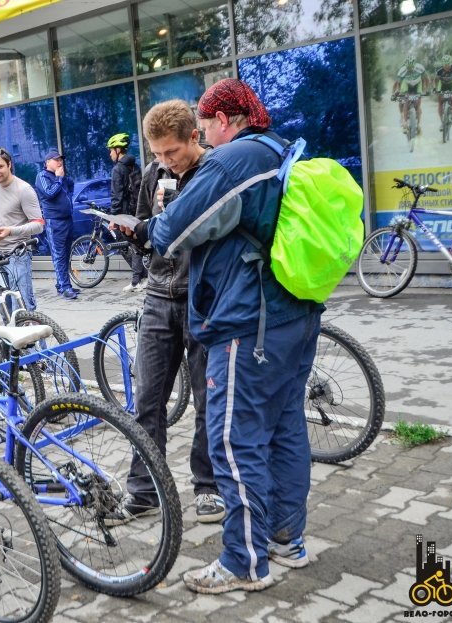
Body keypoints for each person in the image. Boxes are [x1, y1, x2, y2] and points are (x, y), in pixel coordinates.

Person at [147, 79, 321, 594]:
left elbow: (171, 233)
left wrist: (152, 225)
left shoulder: (232, 159)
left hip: (249, 321)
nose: (203, 135)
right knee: (285, 429)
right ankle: (286, 539)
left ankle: (243, 561)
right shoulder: (279, 148)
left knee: (233, 439)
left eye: (203, 127)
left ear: (223, 119)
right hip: (295, 314)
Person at [108, 100, 224, 526]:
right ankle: (144, 490)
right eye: (156, 153)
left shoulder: (214, 173)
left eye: (171, 153)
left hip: (202, 297)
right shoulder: (153, 174)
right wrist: (130, 233)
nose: (163, 161)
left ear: (195, 137)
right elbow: (145, 228)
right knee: (147, 400)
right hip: (158, 294)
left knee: (208, 401)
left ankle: (208, 488)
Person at [0, 148, 45, 310]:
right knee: (3, 305)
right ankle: (11, 335)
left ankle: (34, 335)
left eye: (0, 167)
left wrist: (11, 231)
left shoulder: (24, 190)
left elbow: (39, 225)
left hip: (17, 255)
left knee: (22, 305)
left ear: (9, 165)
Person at [35, 149, 78, 300]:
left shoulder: (60, 176)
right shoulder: (42, 176)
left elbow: (71, 186)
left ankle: (63, 285)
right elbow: (49, 193)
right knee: (59, 255)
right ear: (47, 162)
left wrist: (64, 181)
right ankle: (65, 287)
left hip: (67, 219)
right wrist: (59, 179)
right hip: (54, 221)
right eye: (56, 159)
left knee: (65, 253)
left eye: (60, 159)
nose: (60, 162)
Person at [107, 133, 147, 292]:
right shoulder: (134, 166)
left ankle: (138, 280)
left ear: (117, 150)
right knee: (134, 245)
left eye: (111, 150)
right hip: (137, 211)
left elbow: (117, 195)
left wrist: (113, 218)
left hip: (124, 214)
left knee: (131, 246)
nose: (110, 154)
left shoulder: (118, 169)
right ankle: (141, 277)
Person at [392, 55, 431, 134]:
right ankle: (405, 123)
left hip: (417, 84)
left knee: (418, 104)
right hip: (407, 84)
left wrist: (427, 89)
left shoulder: (420, 68)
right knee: (406, 101)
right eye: (408, 68)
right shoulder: (402, 70)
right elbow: (397, 83)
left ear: (415, 65)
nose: (410, 70)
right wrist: (396, 93)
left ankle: (418, 125)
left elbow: (427, 79)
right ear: (405, 66)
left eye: (411, 68)